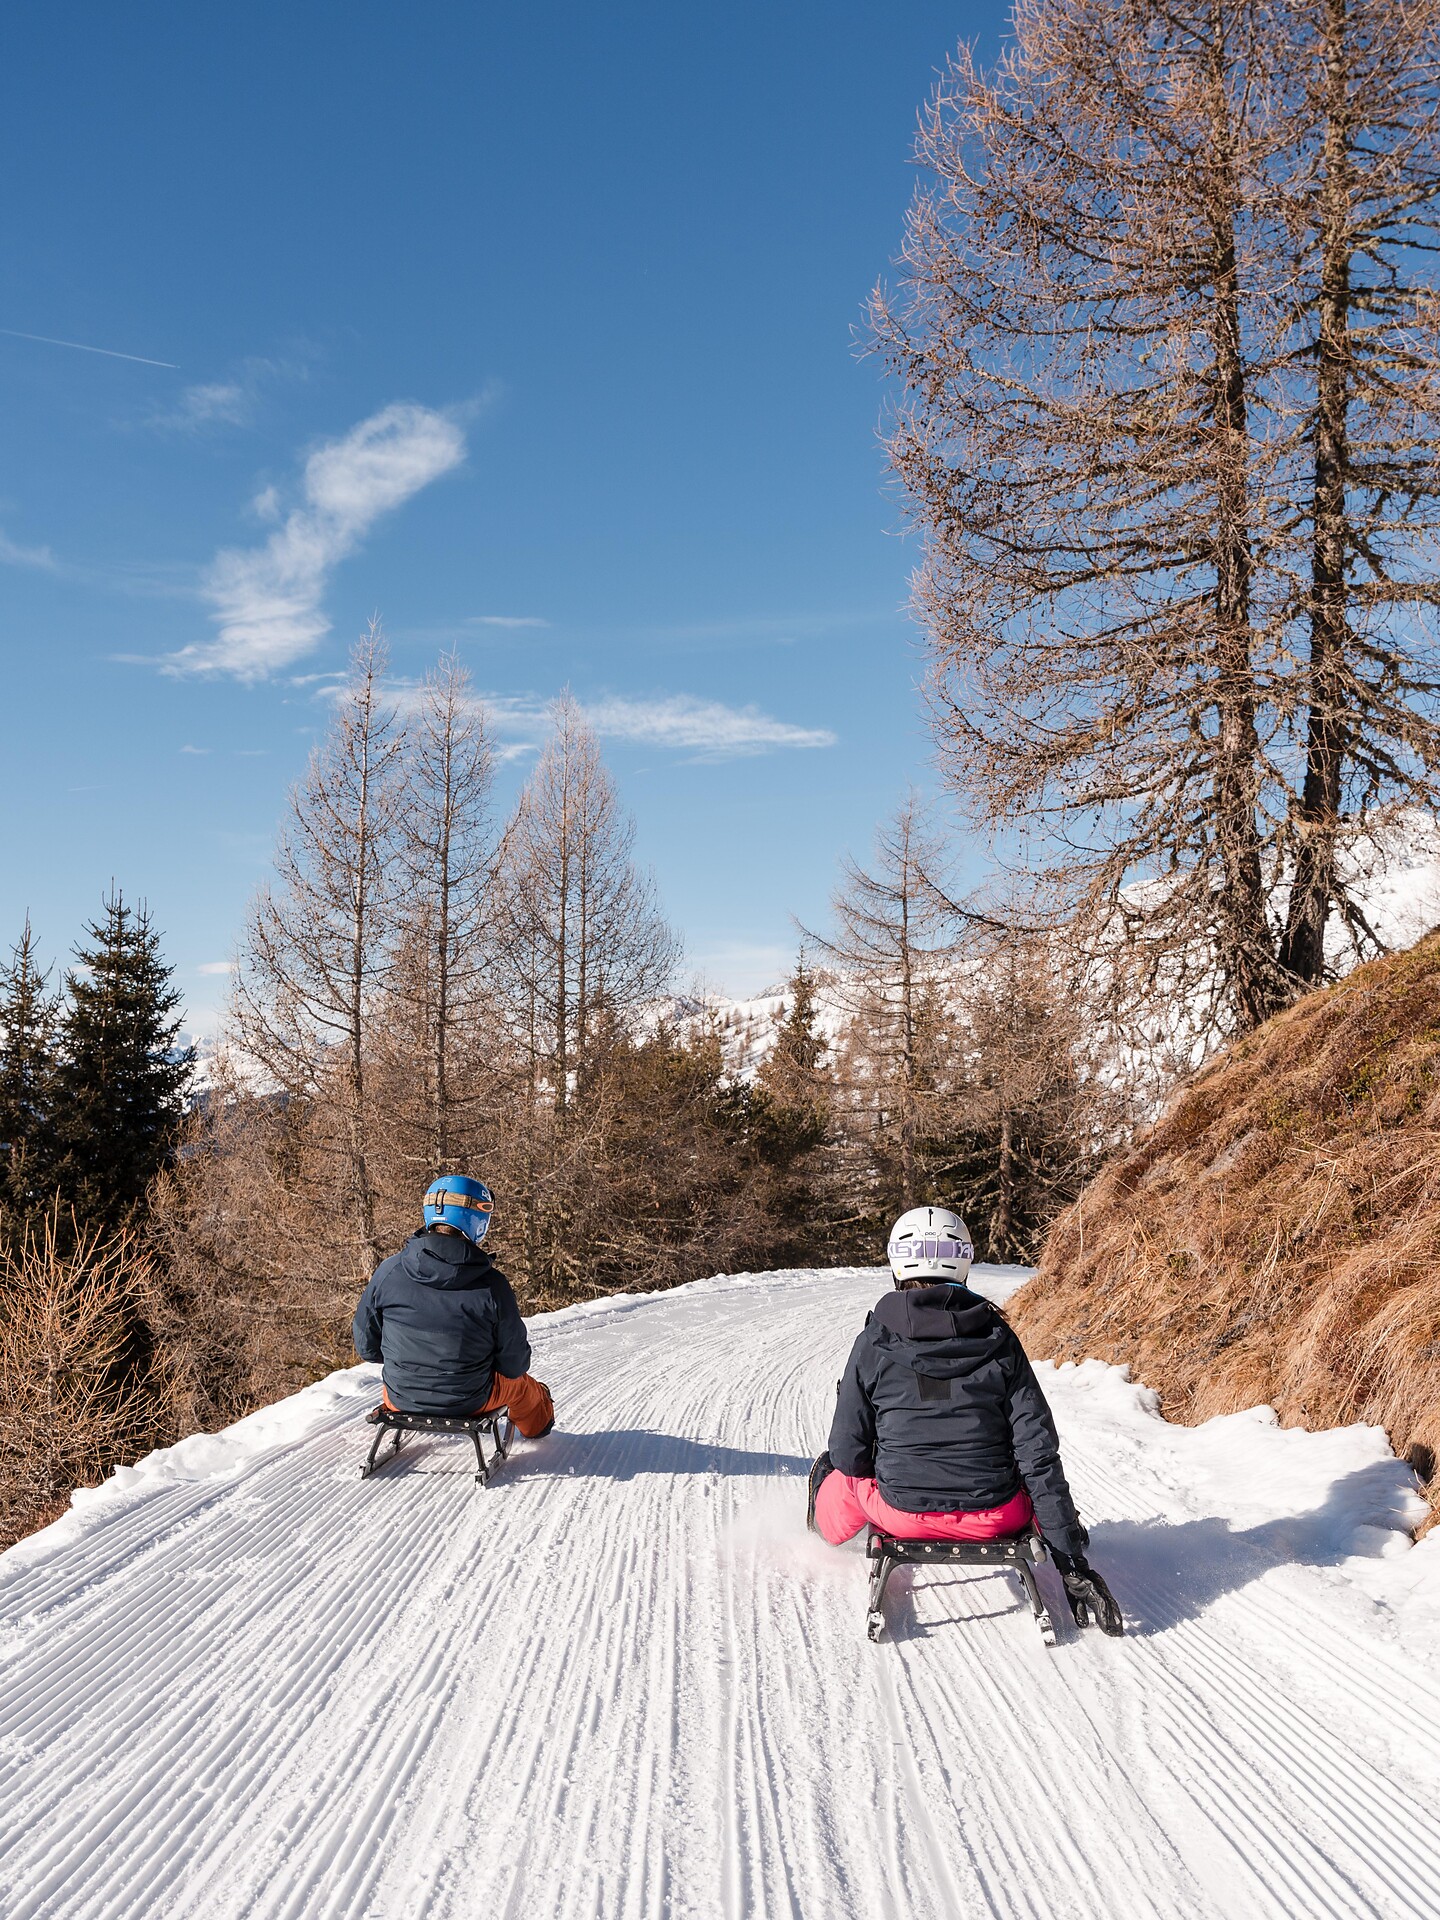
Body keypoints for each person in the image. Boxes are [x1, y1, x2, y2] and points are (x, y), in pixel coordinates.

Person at [808, 1204, 1122, 1636]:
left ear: (897, 1263)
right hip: (996, 1515)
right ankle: (1053, 1526)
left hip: (903, 1513)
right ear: (964, 1262)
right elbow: (1037, 1452)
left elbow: (850, 1454)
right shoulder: (999, 1340)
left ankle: (819, 1524)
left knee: (840, 1477)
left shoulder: (874, 1341)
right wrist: (1070, 1558)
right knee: (1028, 1483)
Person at [353, 1175, 555, 1438]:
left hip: (400, 1396)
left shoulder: (389, 1271)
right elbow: (514, 1365)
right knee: (521, 1386)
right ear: (476, 1220)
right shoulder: (492, 1286)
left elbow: (367, 1347)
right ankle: (538, 1428)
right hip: (470, 1401)